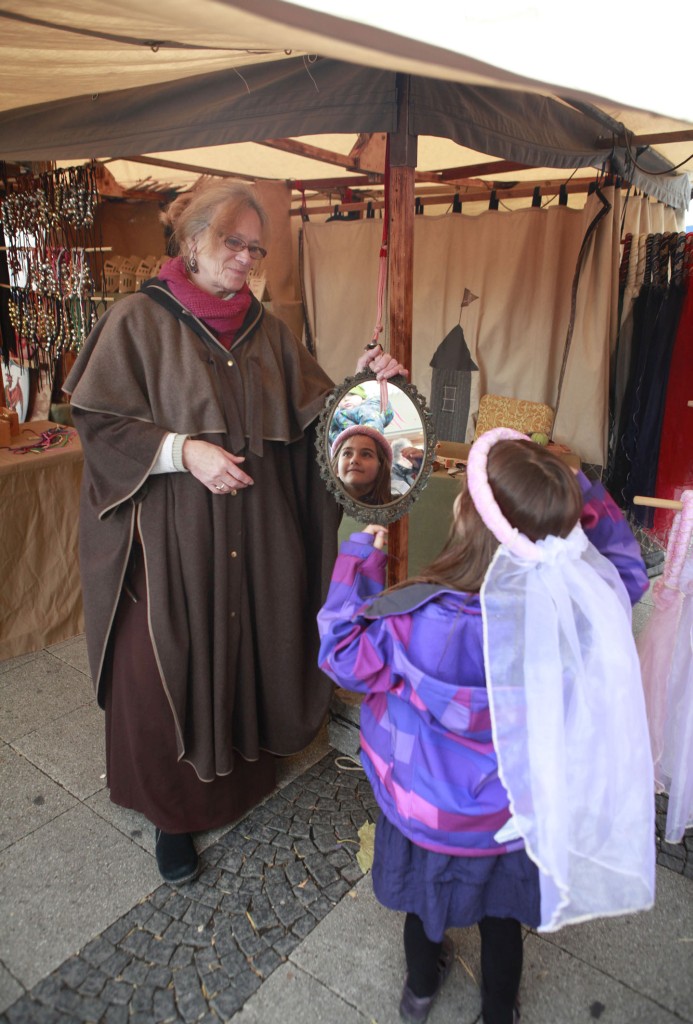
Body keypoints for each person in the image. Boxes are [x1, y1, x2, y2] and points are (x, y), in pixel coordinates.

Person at [63, 179, 405, 885]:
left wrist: (364, 389)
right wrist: (182, 451)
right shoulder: (137, 320)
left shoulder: (268, 332)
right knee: (160, 664)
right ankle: (171, 812)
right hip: (171, 539)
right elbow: (99, 423)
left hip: (257, 532)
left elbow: (315, 425)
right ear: (192, 243)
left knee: (249, 644)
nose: (247, 257)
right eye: (233, 242)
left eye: (256, 248)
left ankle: (239, 780)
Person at [317, 427, 653, 1024]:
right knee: (503, 919)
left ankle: (420, 991)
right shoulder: (575, 616)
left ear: (467, 517)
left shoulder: (413, 617)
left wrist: (359, 558)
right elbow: (627, 573)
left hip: (427, 812)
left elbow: (341, 653)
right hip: (511, 813)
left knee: (425, 910)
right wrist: (573, 490)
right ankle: (500, 1009)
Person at [331, 425, 394, 505]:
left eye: (366, 454)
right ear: (337, 467)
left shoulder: (399, 505)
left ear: (380, 467)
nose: (354, 460)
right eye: (347, 454)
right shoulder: (320, 506)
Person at [328, 383, 394, 445]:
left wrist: (366, 440)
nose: (346, 399)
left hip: (365, 441)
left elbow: (372, 422)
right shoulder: (337, 416)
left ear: (363, 399)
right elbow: (334, 437)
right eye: (342, 397)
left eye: (351, 394)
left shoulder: (366, 408)